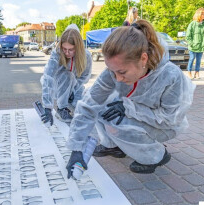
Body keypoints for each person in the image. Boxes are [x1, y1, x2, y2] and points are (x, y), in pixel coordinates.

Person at [65, 20, 195, 177]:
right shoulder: (114, 72)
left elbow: (169, 119)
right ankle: (113, 145)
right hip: (136, 112)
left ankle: (155, 155)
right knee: (98, 105)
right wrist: (77, 148)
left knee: (117, 124)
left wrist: (129, 108)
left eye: (122, 72)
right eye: (113, 72)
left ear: (143, 59)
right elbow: (88, 105)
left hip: (164, 126)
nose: (117, 79)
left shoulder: (170, 76)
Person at [40, 24, 92, 124]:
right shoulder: (57, 53)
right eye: (64, 49)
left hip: (74, 88)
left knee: (83, 111)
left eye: (71, 50)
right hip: (57, 86)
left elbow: (85, 77)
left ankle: (69, 105)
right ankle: (61, 109)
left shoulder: (86, 55)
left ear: (78, 47)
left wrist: (74, 90)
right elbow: (48, 77)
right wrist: (47, 108)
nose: (67, 53)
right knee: (68, 75)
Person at [185, 8, 204, 79]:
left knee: (199, 60)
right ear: (198, 14)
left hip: (201, 46)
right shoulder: (192, 24)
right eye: (202, 14)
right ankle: (189, 72)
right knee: (192, 58)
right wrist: (191, 43)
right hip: (193, 46)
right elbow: (188, 36)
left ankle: (197, 73)